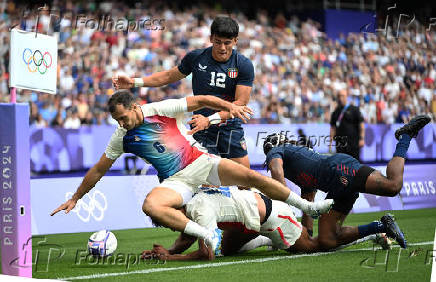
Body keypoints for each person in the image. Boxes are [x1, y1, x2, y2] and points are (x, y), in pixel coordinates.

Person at [51, 90, 333, 247]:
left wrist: (228, 107)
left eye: (124, 118)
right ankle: (207, 235)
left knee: (249, 176)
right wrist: (76, 198)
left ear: (135, 107)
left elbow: (199, 101)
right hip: (176, 181)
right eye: (118, 121)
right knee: (151, 205)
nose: (122, 124)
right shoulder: (121, 137)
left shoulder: (161, 109)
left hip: (200, 163)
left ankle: (307, 207)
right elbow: (98, 170)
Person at [263, 115, 431, 250]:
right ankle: (380, 227)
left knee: (392, 186)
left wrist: (283, 208)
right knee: (326, 240)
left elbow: (277, 172)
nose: (269, 163)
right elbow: (308, 201)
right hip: (338, 183)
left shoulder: (277, 150)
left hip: (341, 169)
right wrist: (305, 234)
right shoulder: (299, 163)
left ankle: (405, 137)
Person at [113, 16, 254, 168]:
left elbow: (239, 105)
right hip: (200, 128)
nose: (222, 48)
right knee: (205, 181)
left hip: (229, 128)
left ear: (235, 41)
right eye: (218, 42)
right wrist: (134, 82)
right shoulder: (196, 58)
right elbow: (168, 76)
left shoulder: (243, 65)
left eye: (227, 43)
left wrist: (209, 120)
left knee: (244, 182)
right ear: (211, 38)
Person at [141, 186, 391, 261]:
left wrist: (171, 259)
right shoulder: (193, 202)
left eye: (168, 222)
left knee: (316, 246)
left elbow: (208, 255)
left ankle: (375, 231)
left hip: (274, 219)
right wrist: (165, 251)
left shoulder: (200, 209)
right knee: (227, 249)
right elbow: (188, 236)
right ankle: (267, 241)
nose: (173, 227)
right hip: (254, 215)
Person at [330, 89, 365, 161]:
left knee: (354, 163)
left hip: (353, 143)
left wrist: (361, 138)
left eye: (343, 96)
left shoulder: (354, 109)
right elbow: (333, 128)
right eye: (339, 96)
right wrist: (330, 143)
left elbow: (361, 125)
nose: (340, 98)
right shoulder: (335, 112)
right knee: (341, 164)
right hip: (340, 143)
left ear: (347, 97)